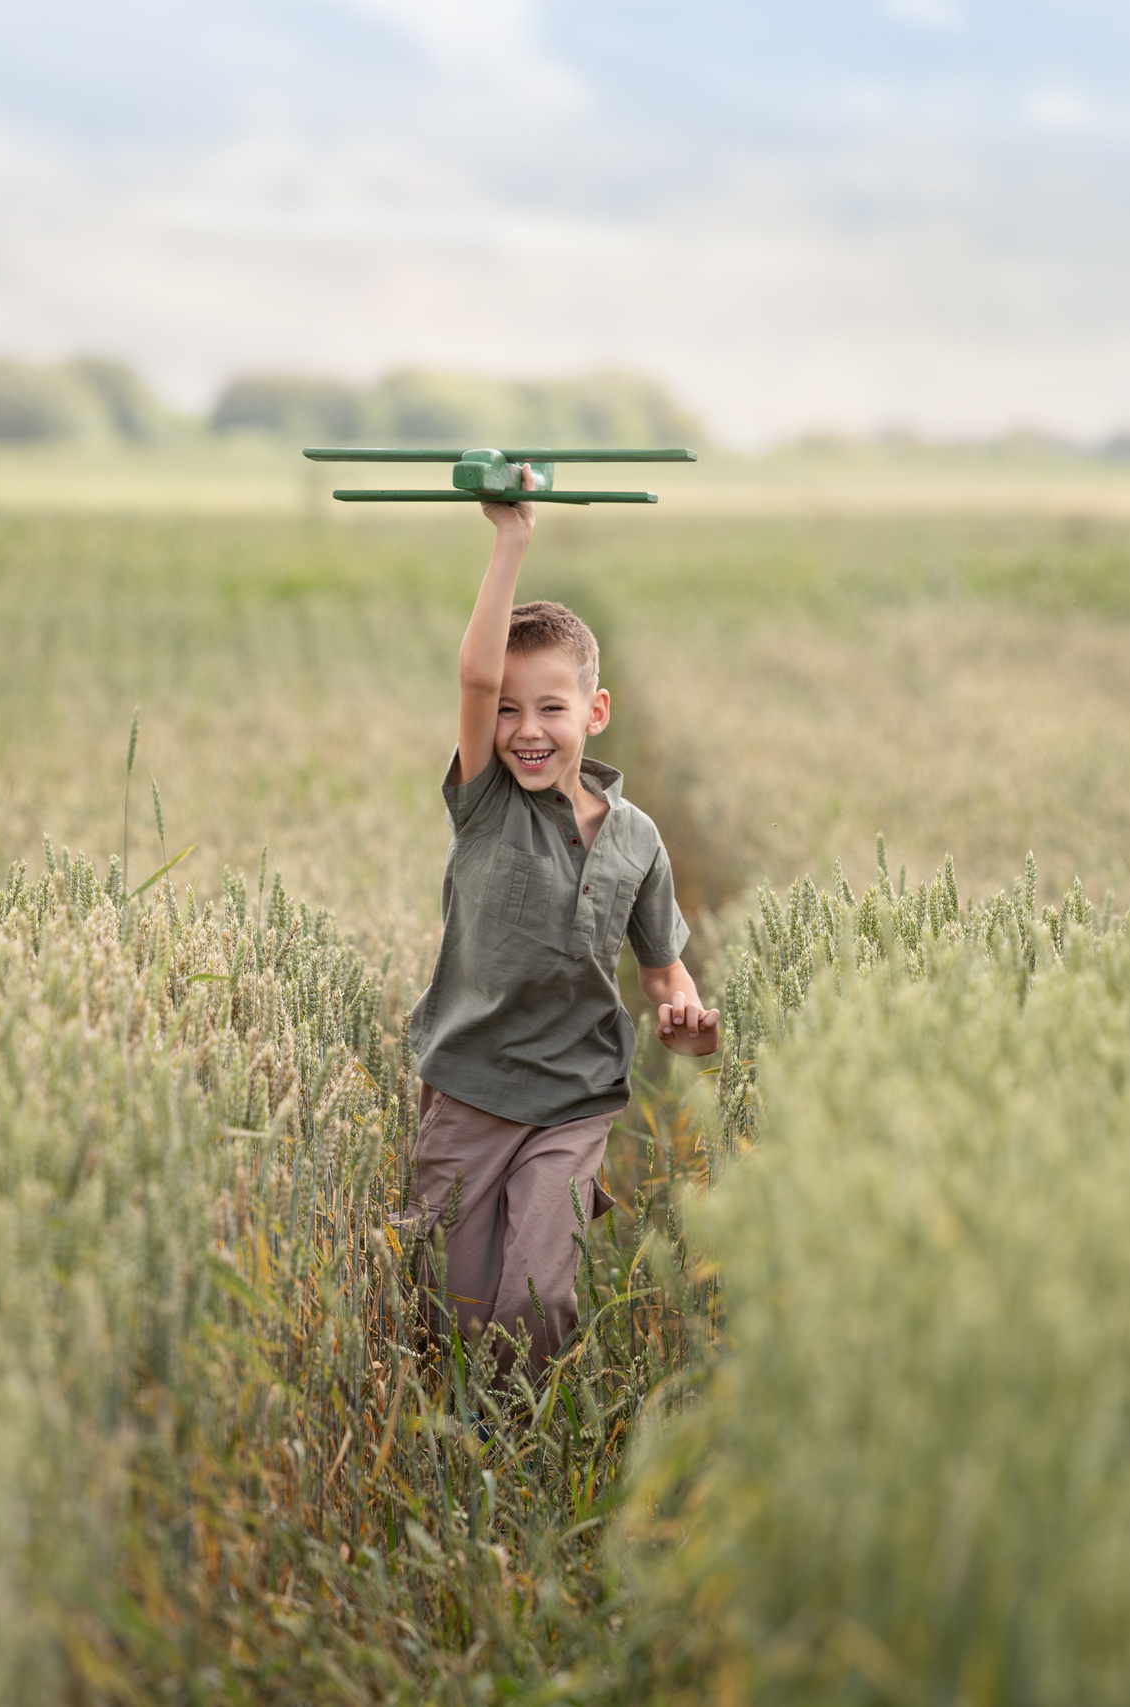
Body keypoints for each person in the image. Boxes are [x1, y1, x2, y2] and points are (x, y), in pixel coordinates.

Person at [403, 467, 720, 1376]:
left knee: (537, 1300)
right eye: (507, 710)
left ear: (597, 711)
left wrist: (686, 1024)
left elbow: (663, 973)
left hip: (575, 1098)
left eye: (550, 707)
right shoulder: (486, 804)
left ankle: (515, 1433)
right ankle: (460, 1450)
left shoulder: (638, 841)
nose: (525, 729)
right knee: (452, 1313)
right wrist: (511, 539)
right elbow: (473, 673)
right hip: (468, 1087)